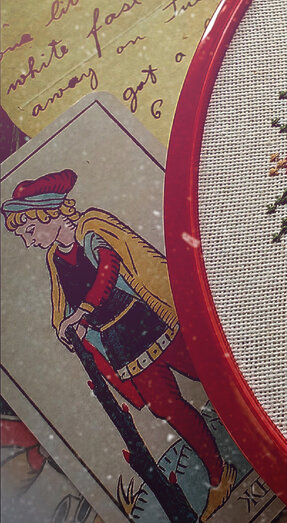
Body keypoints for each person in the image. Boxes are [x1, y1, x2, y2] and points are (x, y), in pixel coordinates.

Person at [3, 169, 235, 521]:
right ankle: (219, 475)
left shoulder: (91, 229)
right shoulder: (55, 260)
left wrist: (82, 312)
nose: (28, 241)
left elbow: (109, 268)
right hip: (121, 346)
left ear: (49, 214)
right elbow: (64, 306)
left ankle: (261, 427)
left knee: (211, 372)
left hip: (151, 319)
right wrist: (71, 327)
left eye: (30, 231)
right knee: (166, 408)